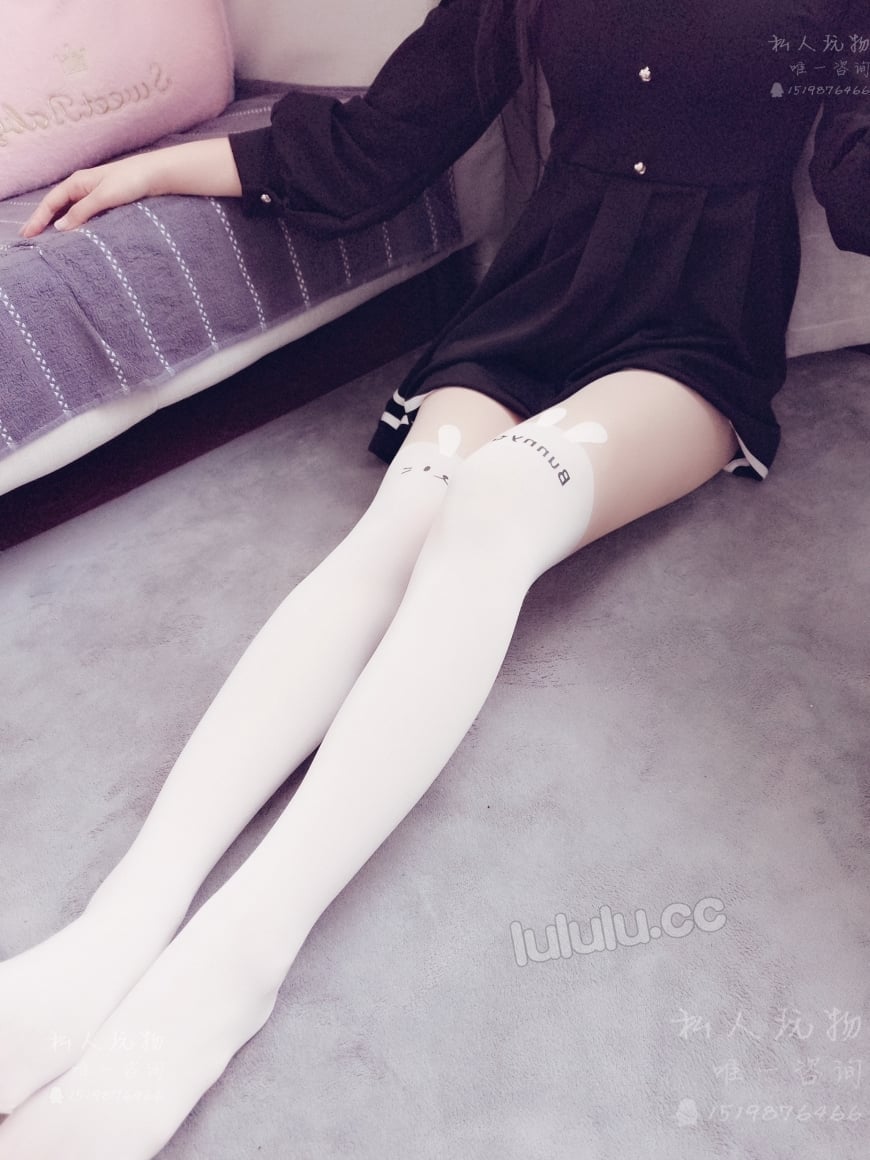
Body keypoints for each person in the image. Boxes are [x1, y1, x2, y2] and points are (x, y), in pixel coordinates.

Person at [2, 0, 869, 1155]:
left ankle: (235, 960)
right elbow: (392, 135)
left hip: (694, 330)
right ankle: (115, 926)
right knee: (404, 518)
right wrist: (155, 167)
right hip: (535, 305)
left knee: (501, 501)